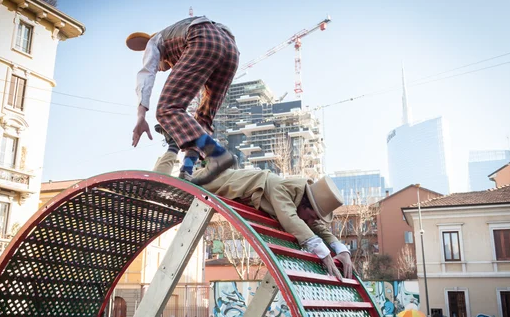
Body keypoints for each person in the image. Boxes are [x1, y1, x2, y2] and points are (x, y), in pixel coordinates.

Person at [153, 147, 353, 280]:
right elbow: (289, 219)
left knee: (171, 189)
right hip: (208, 183)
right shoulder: (279, 188)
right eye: (312, 216)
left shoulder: (299, 205)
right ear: (305, 204)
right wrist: (324, 253)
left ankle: (188, 151)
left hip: (215, 182)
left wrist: (340, 249)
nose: (311, 222)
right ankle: (172, 147)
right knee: (162, 190)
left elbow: (315, 227)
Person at [128, 16, 239, 185]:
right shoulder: (180, 44)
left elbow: (146, 75)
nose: (163, 69)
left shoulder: (154, 41)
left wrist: (141, 116)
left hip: (203, 38)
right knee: (202, 121)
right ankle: (187, 172)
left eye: (162, 66)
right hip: (231, 50)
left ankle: (217, 154)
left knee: (167, 109)